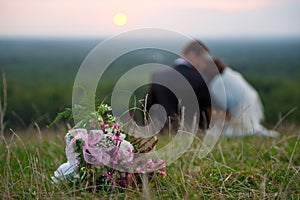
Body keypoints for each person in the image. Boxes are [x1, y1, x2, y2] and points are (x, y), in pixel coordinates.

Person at [145, 40, 212, 131]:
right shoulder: (199, 77)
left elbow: (147, 105)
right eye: (202, 58)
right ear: (192, 55)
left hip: (162, 132)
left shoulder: (158, 76)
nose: (204, 62)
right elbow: (207, 108)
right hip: (191, 133)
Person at [207, 57, 279, 137]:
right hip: (250, 103)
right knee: (249, 127)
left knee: (236, 131)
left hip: (241, 108)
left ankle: (264, 134)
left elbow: (225, 103)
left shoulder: (218, 82)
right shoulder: (230, 75)